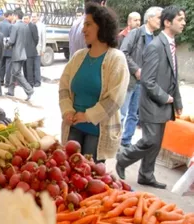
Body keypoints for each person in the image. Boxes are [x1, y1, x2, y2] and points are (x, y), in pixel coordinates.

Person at [116, 6, 185, 189]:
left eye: (184, 20)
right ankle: (122, 159)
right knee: (150, 140)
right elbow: (148, 80)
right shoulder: (155, 46)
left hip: (163, 103)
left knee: (156, 143)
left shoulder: (169, 44)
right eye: (180, 20)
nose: (184, 23)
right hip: (152, 102)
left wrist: (177, 101)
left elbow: (173, 76)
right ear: (168, 22)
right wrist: (166, 98)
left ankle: (146, 175)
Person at [59, 3, 129, 162]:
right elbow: (63, 86)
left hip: (97, 133)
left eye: (88, 24)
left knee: (90, 178)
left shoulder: (116, 59)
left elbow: (115, 99)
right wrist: (67, 110)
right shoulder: (78, 56)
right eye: (84, 24)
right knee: (69, 174)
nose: (83, 29)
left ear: (102, 26)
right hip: (73, 128)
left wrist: (87, 116)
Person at [119, 6, 163, 148]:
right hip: (130, 81)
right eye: (158, 18)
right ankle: (113, 141)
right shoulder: (136, 33)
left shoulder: (155, 39)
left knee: (134, 115)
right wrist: (136, 69)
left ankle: (126, 141)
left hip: (143, 84)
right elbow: (123, 53)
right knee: (121, 113)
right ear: (149, 18)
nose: (160, 21)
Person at [5, 9, 34, 101]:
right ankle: (10, 91)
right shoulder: (25, 26)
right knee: (14, 72)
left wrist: (5, 46)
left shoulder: (15, 26)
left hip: (17, 53)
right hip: (23, 53)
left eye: (13, 15)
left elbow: (12, 40)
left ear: (16, 16)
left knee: (17, 73)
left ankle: (29, 90)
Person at [0, 10, 13, 87]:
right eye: (12, 16)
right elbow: (11, 38)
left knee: (1, 65)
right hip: (9, 48)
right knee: (8, 66)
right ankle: (7, 83)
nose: (12, 17)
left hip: (1, 48)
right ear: (9, 15)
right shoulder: (10, 26)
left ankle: (0, 81)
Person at [23, 15, 39, 88]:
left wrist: (32, 46)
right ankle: (26, 82)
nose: (25, 20)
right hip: (24, 51)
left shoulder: (32, 26)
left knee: (29, 68)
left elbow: (36, 38)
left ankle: (31, 83)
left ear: (29, 19)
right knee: (25, 68)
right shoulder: (24, 26)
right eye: (24, 19)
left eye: (26, 18)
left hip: (30, 51)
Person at [32, 13, 46, 87]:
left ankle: (38, 81)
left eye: (34, 17)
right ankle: (33, 80)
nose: (33, 18)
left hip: (38, 49)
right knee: (31, 66)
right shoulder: (30, 25)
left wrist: (43, 50)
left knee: (37, 66)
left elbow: (43, 38)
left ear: (38, 17)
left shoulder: (41, 26)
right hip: (30, 49)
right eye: (32, 17)